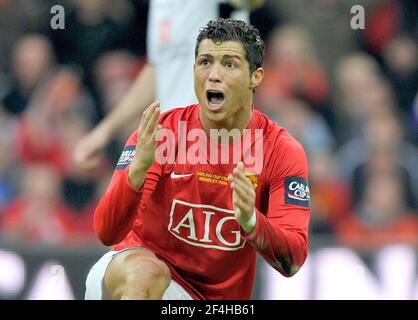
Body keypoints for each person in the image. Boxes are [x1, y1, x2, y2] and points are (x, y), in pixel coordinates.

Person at [85, 18, 310, 300]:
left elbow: (294, 260)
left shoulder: (281, 151)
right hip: (137, 278)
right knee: (148, 275)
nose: (214, 75)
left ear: (256, 77)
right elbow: (107, 233)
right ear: (194, 70)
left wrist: (253, 222)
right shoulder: (163, 133)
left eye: (229, 64)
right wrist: (136, 173)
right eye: (205, 62)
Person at [73, 0, 264, 171]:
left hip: (216, 143)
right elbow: (160, 69)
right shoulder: (160, 3)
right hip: (173, 145)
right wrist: (104, 131)